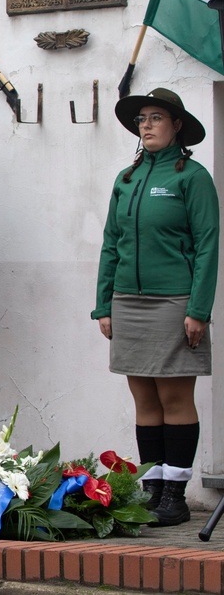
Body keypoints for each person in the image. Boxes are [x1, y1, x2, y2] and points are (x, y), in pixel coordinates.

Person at [93, 88, 218, 527]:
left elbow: (207, 245)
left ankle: (176, 496)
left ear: (176, 125)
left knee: (174, 395)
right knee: (143, 396)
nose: (146, 125)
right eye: (141, 118)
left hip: (175, 302)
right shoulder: (124, 179)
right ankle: (152, 491)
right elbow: (112, 242)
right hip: (127, 301)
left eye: (156, 117)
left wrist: (199, 309)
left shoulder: (193, 177)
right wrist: (103, 305)